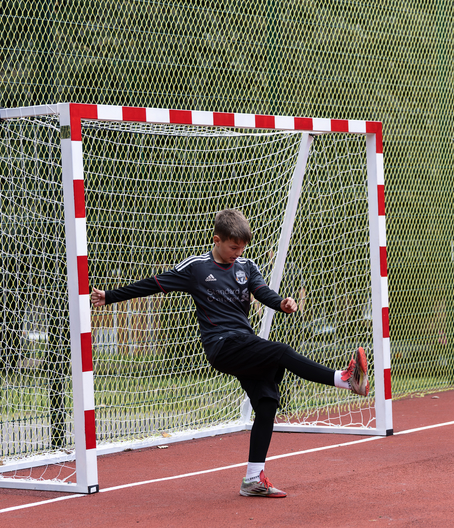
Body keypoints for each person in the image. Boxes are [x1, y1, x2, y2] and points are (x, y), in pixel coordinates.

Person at [90, 208, 370, 498]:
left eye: (243, 247)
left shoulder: (246, 266)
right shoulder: (197, 268)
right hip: (222, 346)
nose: (238, 252)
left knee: (267, 403)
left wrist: (281, 304)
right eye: (233, 247)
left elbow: (262, 291)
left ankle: (252, 480)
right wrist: (110, 296)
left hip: (245, 343)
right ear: (217, 240)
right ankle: (344, 379)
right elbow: (154, 284)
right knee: (281, 351)